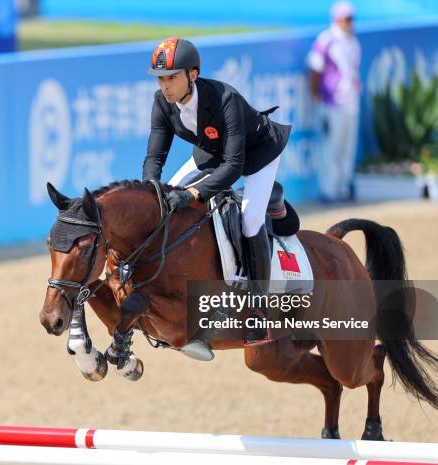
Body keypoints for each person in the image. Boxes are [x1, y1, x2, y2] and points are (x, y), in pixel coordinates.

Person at [142, 37, 291, 345]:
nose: (165, 85)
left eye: (172, 77)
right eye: (160, 78)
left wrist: (195, 195)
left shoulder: (225, 98)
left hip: (257, 153)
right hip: (212, 153)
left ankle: (259, 312)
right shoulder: (162, 102)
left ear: (192, 74)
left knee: (250, 220)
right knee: (167, 195)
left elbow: (234, 166)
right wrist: (150, 190)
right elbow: (155, 157)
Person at [307, 1, 361, 203]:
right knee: (331, 148)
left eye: (351, 18)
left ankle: (344, 188)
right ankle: (329, 191)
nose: (350, 22)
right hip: (332, 104)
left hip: (351, 104)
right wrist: (318, 98)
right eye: (347, 18)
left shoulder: (353, 41)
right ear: (336, 19)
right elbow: (314, 68)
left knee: (348, 149)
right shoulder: (327, 40)